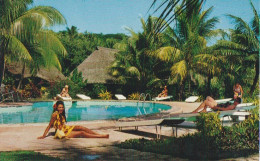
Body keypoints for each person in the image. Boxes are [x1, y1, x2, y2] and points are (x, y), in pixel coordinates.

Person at [38, 101, 109, 139]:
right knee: (81, 133)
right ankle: (100, 137)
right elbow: (49, 125)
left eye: (62, 107)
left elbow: (63, 124)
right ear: (56, 108)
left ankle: (98, 134)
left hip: (65, 128)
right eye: (60, 107)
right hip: (61, 132)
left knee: (80, 127)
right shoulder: (54, 114)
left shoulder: (62, 113)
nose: (61, 109)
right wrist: (43, 135)